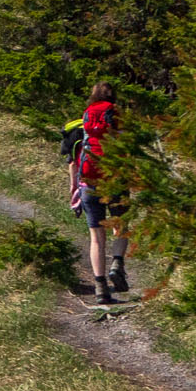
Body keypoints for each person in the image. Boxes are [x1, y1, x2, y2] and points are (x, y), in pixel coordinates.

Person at [69, 81, 129, 303]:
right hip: (114, 180)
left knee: (96, 238)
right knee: (120, 225)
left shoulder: (86, 116)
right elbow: (127, 147)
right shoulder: (117, 115)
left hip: (89, 181)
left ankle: (100, 287)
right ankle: (117, 263)